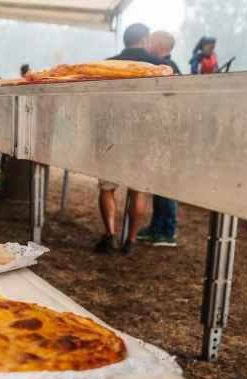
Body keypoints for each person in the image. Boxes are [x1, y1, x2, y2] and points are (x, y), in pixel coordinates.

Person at [94, 23, 162, 255]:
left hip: (112, 134)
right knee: (138, 191)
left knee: (107, 188)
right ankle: (131, 241)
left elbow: (97, 103)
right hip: (144, 135)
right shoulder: (159, 65)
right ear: (144, 39)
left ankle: (110, 235)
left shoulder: (106, 65)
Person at [138, 30, 182, 247]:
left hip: (167, 134)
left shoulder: (169, 68)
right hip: (159, 133)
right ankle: (156, 228)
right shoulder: (160, 66)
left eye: (151, 40)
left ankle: (169, 231)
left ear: (159, 44)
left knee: (166, 186)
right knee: (157, 184)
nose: (147, 43)